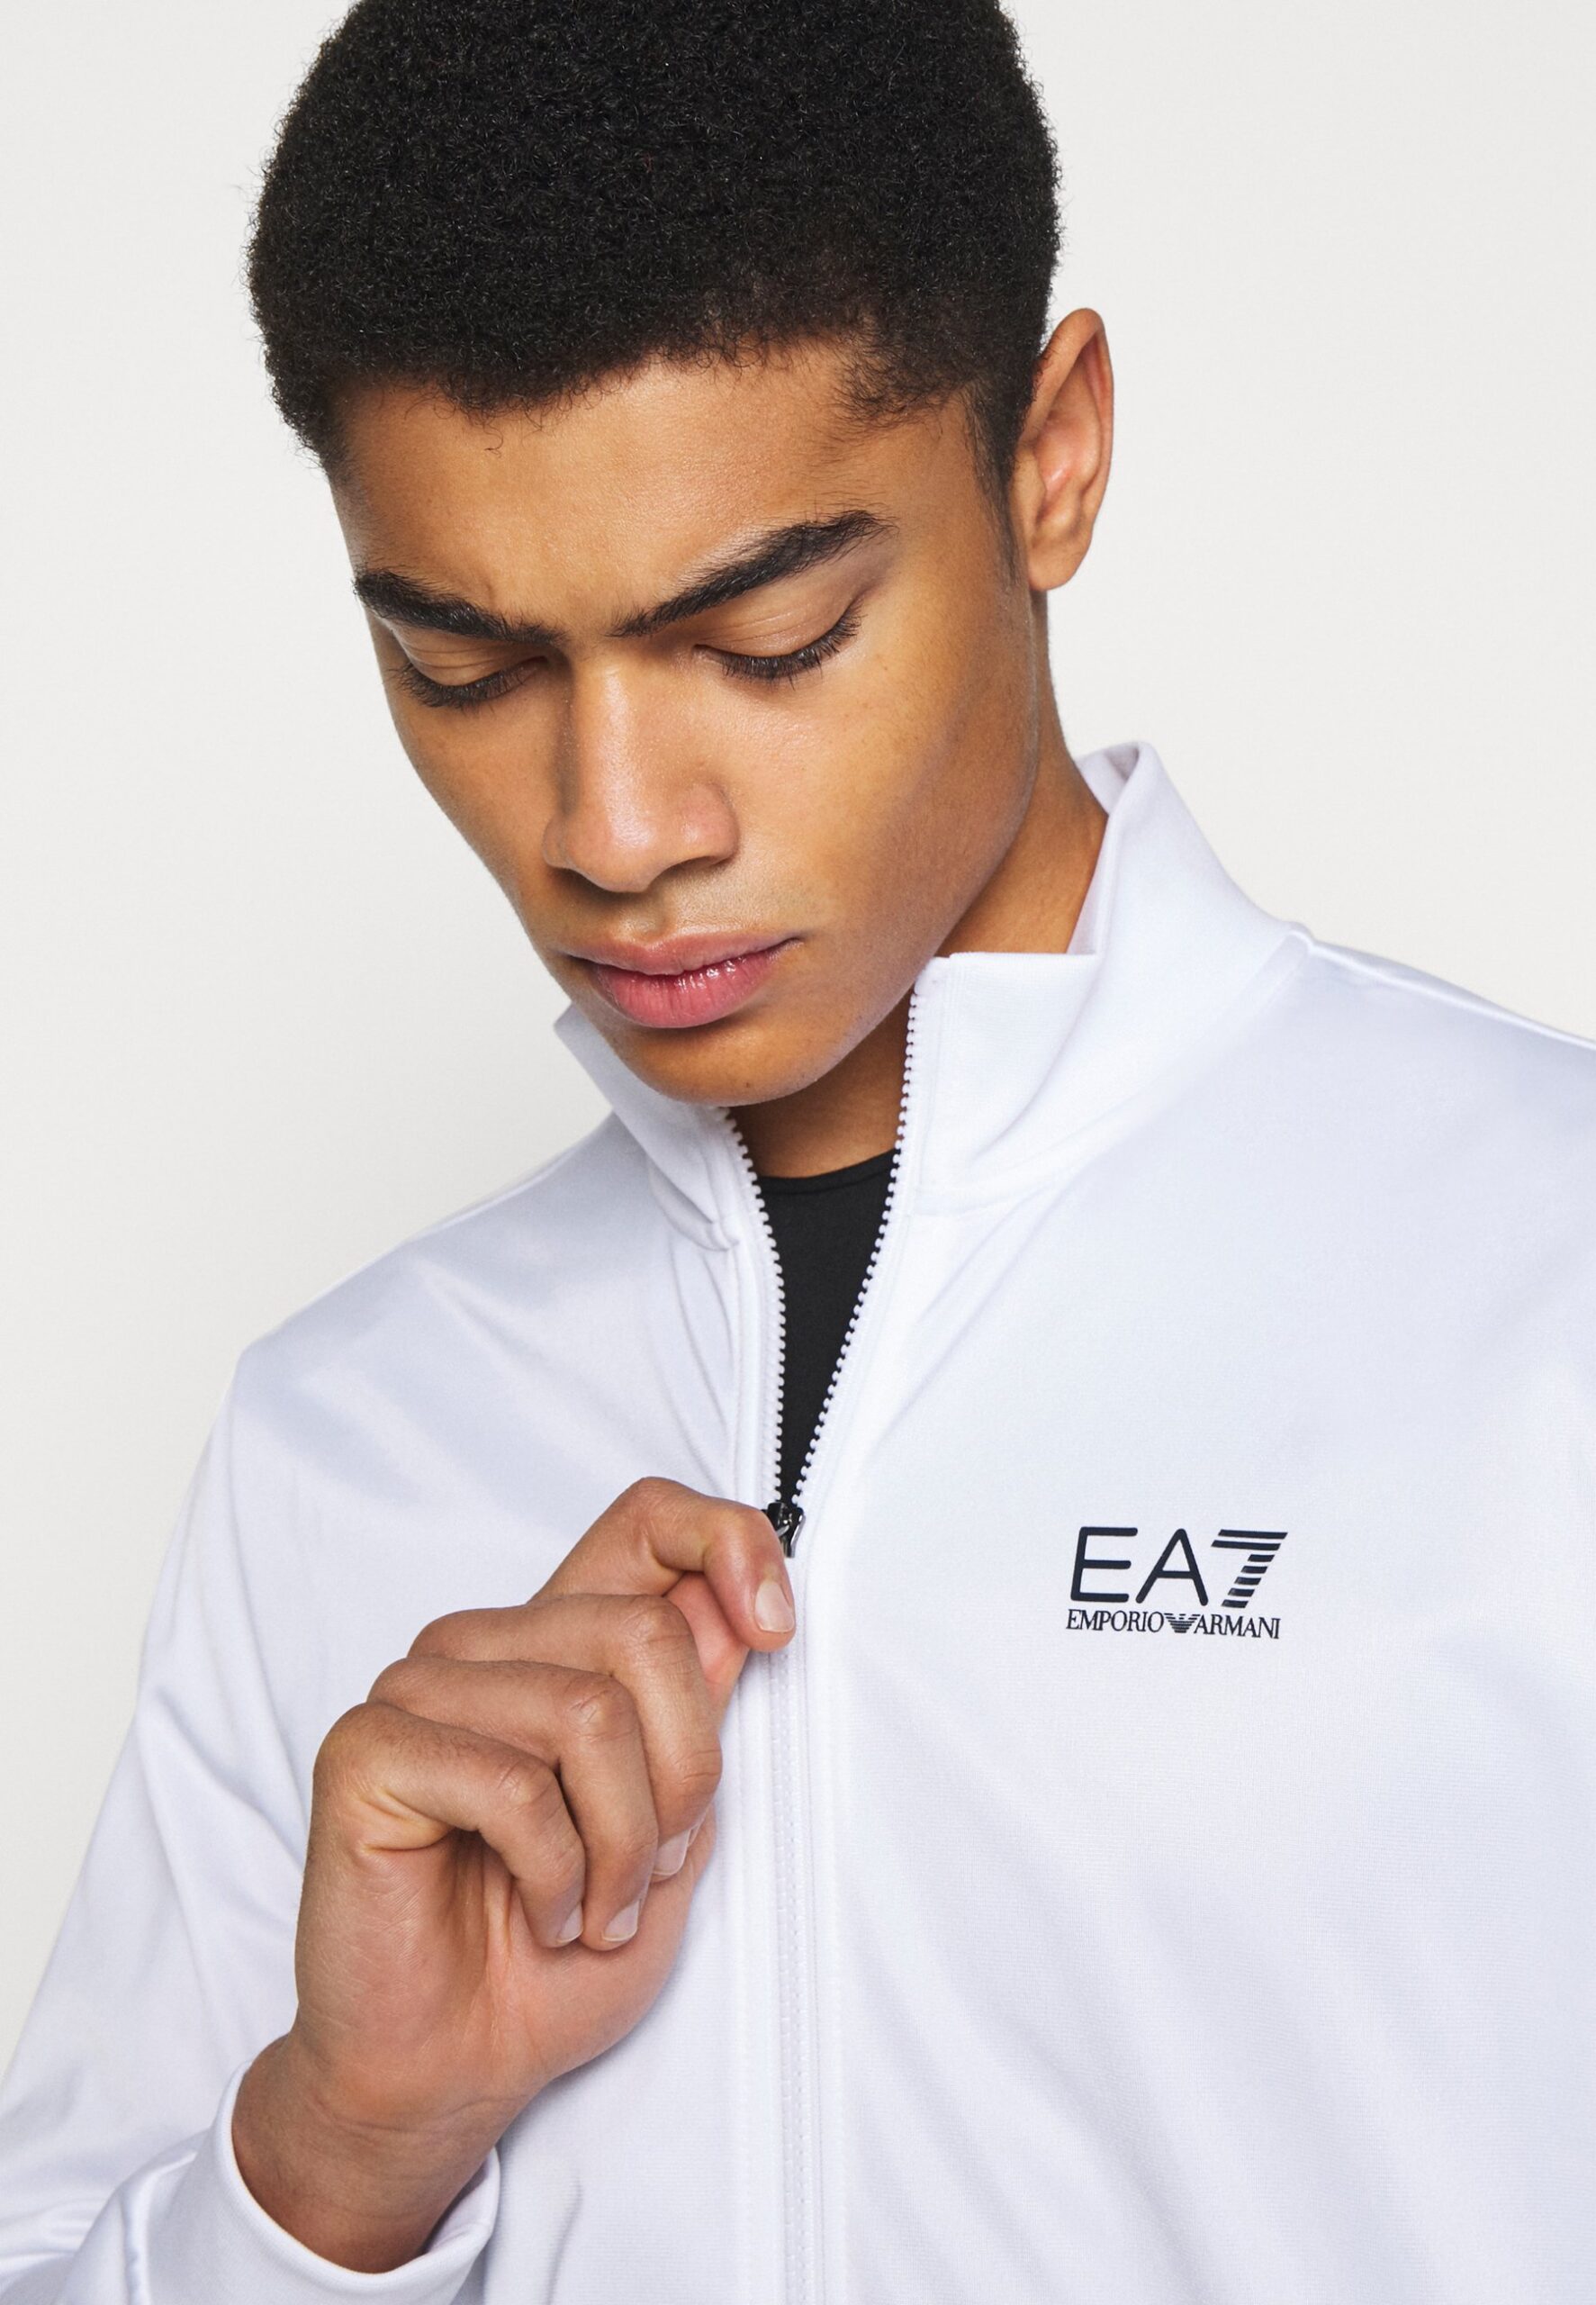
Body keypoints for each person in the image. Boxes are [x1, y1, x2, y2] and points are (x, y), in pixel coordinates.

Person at [3, 0, 1593, 2297]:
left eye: (766, 637)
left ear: (1048, 458)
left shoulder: (1537, 1276)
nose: (611, 827)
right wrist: (342, 2152)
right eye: (463, 671)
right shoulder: (338, 1432)